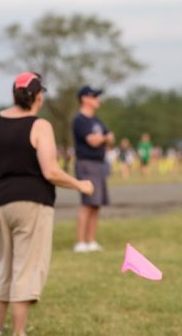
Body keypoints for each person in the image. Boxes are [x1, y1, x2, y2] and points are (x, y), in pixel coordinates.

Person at [0, 73, 94, 336]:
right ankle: (19, 332)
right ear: (38, 97)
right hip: (31, 203)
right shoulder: (40, 126)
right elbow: (50, 172)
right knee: (26, 268)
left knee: (4, 266)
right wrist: (81, 185)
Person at [72, 85, 115, 253]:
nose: (98, 100)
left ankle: (91, 240)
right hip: (86, 164)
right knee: (87, 203)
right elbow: (93, 141)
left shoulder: (97, 120)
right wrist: (104, 138)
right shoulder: (80, 120)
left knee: (97, 204)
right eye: (94, 96)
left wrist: (102, 138)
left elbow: (110, 138)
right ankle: (80, 242)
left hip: (99, 163)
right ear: (84, 99)